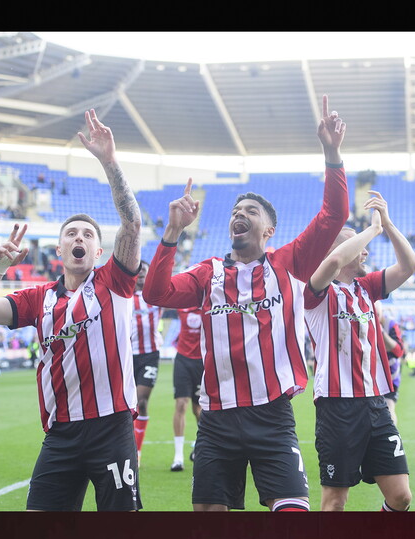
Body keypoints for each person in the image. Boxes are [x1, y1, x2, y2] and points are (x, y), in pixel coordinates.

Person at [142, 95, 349, 512]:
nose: (241, 213)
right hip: (216, 421)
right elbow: (155, 294)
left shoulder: (289, 263)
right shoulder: (207, 274)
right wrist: (171, 232)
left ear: (268, 229)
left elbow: (334, 215)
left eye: (251, 210)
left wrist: (331, 153)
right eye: (237, 210)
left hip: (272, 417)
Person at [0, 109, 144, 512]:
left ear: (99, 252)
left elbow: (131, 224)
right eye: (71, 234)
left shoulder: (113, 282)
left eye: (88, 235)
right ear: (60, 250)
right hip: (61, 434)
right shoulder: (37, 298)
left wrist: (108, 162)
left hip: (111, 427)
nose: (79, 238)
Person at [303, 190, 415, 511]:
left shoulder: (365, 288)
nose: (365, 252)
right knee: (335, 500)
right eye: (359, 246)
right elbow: (335, 261)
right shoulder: (316, 292)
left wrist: (389, 224)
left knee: (401, 496)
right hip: (337, 408)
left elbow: (410, 265)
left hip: (376, 404)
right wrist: (373, 229)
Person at [129, 260, 162, 462]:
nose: (141, 273)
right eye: (138, 270)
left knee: (141, 401)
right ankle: (125, 446)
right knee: (126, 404)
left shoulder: (156, 296)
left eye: (144, 271)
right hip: (126, 356)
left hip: (150, 354)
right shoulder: (123, 297)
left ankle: (136, 453)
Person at [170, 306, 204, 472]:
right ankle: (178, 457)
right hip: (183, 360)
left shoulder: (208, 304)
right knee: (181, 404)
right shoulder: (182, 306)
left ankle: (202, 447)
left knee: (199, 409)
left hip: (202, 361)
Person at [377, 303, 405, 425]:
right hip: (369, 374)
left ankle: (391, 439)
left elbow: (398, 351)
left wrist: (381, 332)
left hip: (390, 374)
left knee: (389, 407)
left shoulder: (390, 324)